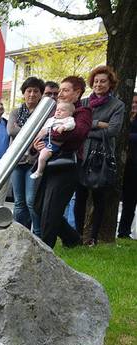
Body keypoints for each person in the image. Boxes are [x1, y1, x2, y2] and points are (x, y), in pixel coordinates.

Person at [33, 76, 92, 248]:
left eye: (66, 90)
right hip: (48, 163)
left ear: (77, 92)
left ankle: (45, 250)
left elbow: (78, 133)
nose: (60, 94)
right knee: (38, 207)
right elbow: (39, 133)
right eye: (60, 91)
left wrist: (49, 134)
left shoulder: (83, 112)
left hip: (66, 166)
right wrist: (37, 145)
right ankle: (72, 238)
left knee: (50, 211)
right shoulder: (56, 110)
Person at [74, 65, 126, 246]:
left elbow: (113, 130)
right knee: (79, 197)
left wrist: (88, 126)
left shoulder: (117, 105)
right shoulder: (84, 102)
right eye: (96, 81)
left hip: (100, 157)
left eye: (103, 81)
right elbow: (76, 127)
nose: (98, 84)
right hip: (82, 153)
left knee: (98, 198)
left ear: (110, 83)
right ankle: (78, 235)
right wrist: (98, 123)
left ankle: (93, 238)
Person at [7, 77, 44, 235]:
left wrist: (21, 129)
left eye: (36, 91)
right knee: (19, 202)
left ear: (41, 94)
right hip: (17, 162)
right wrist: (33, 130)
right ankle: (19, 233)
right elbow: (11, 131)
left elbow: (44, 131)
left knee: (31, 201)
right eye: (29, 91)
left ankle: (37, 234)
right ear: (24, 93)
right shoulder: (16, 112)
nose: (32, 94)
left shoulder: (45, 113)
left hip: (34, 162)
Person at [31, 102, 76, 179]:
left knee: (42, 156)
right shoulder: (50, 119)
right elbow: (43, 129)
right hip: (44, 139)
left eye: (62, 110)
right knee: (38, 149)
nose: (58, 111)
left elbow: (72, 125)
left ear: (70, 113)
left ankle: (39, 171)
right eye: (57, 110)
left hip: (53, 143)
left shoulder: (68, 119)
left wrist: (64, 127)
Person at [117, 93, 137, 238]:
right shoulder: (121, 118)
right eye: (133, 102)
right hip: (117, 162)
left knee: (130, 199)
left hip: (133, 165)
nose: (134, 105)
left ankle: (124, 231)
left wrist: (125, 136)